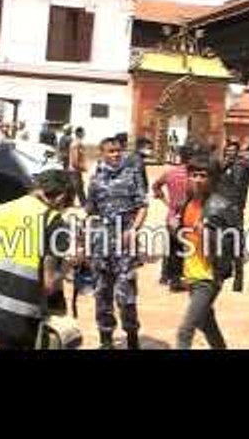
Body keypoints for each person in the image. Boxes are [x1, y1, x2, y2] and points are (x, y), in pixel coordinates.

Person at [0, 169, 74, 350]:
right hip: (26, 315)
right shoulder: (51, 219)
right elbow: (49, 284)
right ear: (60, 197)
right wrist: (70, 264)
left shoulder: (1, 210)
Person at [85, 136, 148, 349]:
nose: (116, 154)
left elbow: (142, 205)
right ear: (102, 153)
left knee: (126, 293)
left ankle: (132, 337)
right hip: (100, 243)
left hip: (125, 243)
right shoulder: (95, 180)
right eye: (111, 151)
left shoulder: (132, 175)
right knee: (102, 293)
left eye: (118, 151)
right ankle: (106, 339)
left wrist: (134, 229)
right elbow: (91, 211)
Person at [175, 150, 229, 349]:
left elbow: (226, 245)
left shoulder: (219, 207)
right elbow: (185, 240)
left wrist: (207, 234)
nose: (197, 180)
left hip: (208, 277)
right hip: (191, 272)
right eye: (194, 174)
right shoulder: (187, 203)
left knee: (185, 331)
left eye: (203, 175)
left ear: (212, 179)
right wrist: (176, 229)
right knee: (206, 323)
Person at [151, 143, 192, 292]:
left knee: (170, 246)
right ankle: (175, 280)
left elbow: (155, 186)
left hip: (171, 215)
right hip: (186, 217)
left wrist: (165, 201)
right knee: (180, 249)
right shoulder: (193, 176)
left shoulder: (170, 173)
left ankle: (164, 276)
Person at [68, 126, 87, 206]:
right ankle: (85, 204)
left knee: (75, 186)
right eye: (83, 132)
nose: (84, 134)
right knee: (78, 187)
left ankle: (69, 202)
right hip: (75, 169)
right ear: (79, 133)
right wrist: (81, 167)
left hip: (74, 169)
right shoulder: (76, 144)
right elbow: (74, 159)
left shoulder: (76, 143)